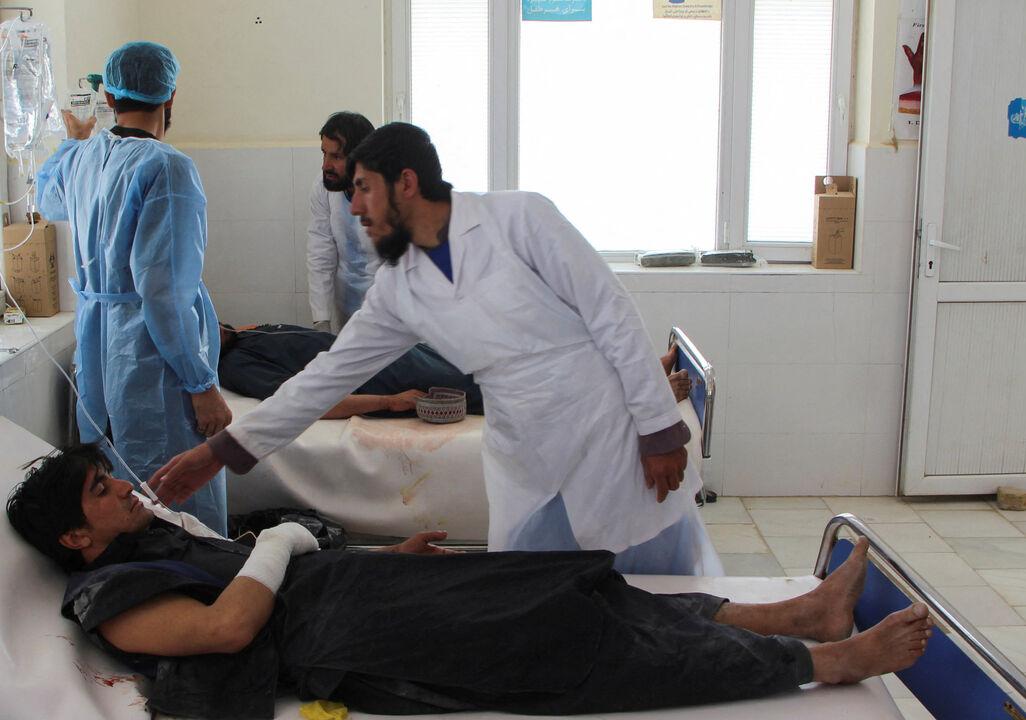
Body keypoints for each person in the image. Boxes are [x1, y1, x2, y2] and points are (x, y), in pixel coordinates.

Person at [151, 123, 718, 574]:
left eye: (363, 189)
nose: (354, 208)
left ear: (405, 182)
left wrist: (658, 428)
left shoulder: (520, 218)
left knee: (661, 586)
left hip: (608, 435)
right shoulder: (399, 287)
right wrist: (219, 452)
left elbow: (611, 312)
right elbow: (324, 377)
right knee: (540, 598)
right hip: (527, 455)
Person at [6, 445, 932, 720]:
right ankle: (820, 664)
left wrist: (366, 562)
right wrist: (286, 537)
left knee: (574, 585)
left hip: (359, 596)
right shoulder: (111, 600)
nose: (127, 489)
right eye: (105, 491)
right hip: (351, 647)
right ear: (75, 536)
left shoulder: (155, 541)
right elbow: (227, 632)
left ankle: (792, 611)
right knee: (576, 648)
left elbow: (270, 578)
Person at [35, 41, 230, 534]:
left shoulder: (84, 157)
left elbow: (48, 200)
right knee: (172, 494)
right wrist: (201, 383)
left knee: (113, 487)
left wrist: (75, 139)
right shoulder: (167, 168)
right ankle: (197, 590)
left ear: (108, 94)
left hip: (97, 345)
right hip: (149, 355)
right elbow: (163, 292)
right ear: (170, 97)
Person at [218, 322, 483, 418]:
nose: (213, 322)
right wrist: (388, 402)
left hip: (382, 353)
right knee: (481, 385)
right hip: (378, 376)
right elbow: (302, 401)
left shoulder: (240, 335)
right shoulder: (236, 364)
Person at [307, 112, 379, 332]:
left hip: (389, 306)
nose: (325, 166)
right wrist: (321, 319)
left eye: (336, 157)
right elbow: (320, 255)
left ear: (361, 158)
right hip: (346, 302)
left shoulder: (387, 192)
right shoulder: (323, 188)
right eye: (324, 154)